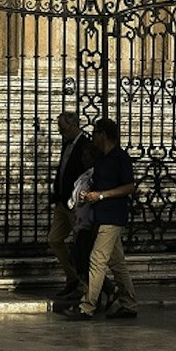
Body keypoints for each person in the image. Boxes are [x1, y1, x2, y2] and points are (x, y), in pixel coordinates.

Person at [61, 118, 138, 322]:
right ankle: (129, 304)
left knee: (96, 260)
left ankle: (87, 306)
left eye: (95, 133)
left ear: (103, 134)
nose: (92, 137)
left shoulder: (119, 158)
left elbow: (130, 186)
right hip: (101, 215)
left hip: (112, 216)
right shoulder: (102, 160)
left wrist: (102, 195)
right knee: (117, 263)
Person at [47, 111, 90, 302]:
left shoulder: (85, 145)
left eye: (62, 127)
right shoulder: (67, 143)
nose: (60, 131)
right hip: (62, 201)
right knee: (55, 239)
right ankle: (73, 278)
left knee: (80, 246)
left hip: (75, 203)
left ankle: (85, 286)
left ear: (73, 126)